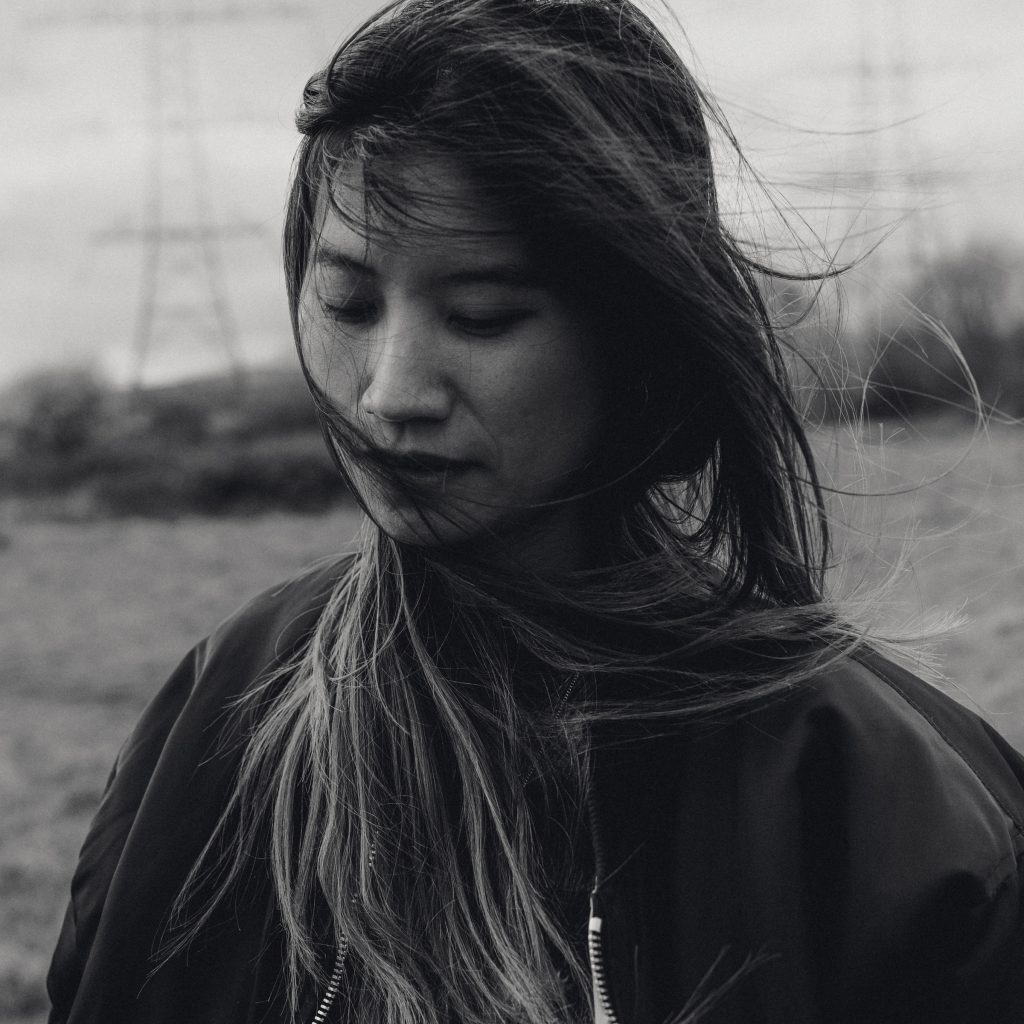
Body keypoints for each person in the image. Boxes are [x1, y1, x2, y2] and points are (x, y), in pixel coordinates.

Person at [47, 0, 1024, 1021]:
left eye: (480, 315)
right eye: (347, 303)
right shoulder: (218, 719)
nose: (389, 391)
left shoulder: (892, 822)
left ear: (635, 332)